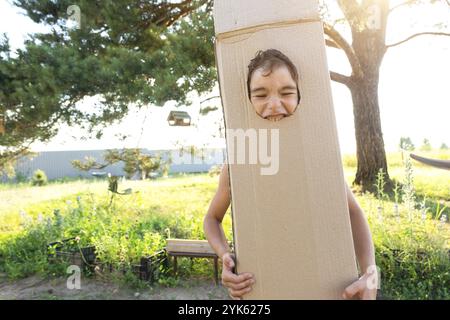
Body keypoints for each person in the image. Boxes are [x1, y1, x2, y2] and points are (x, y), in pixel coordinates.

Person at [203, 49, 378, 300]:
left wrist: (370, 274)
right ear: (248, 100)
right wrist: (225, 256)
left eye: (286, 93)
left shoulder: (319, 158)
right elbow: (212, 219)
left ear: (299, 96)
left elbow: (352, 212)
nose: (274, 104)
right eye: (261, 94)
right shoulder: (238, 167)